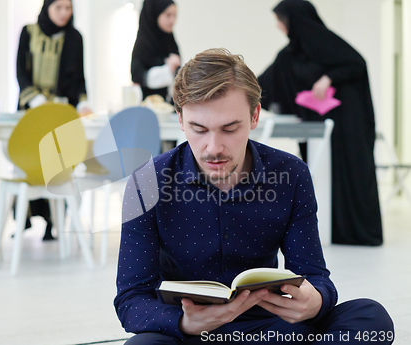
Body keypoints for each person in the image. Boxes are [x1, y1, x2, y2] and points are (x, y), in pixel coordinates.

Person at [114, 48, 394, 344]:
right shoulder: (146, 182)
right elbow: (131, 300)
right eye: (199, 129)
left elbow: (314, 276)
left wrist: (317, 300)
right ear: (180, 119)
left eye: (230, 128)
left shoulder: (291, 174)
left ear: (254, 115)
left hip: (273, 330)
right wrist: (183, 322)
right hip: (191, 334)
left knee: (371, 318)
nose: (214, 148)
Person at [257, 0, 382, 246]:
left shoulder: (326, 43)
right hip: (318, 126)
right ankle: (333, 230)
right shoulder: (290, 54)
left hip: (347, 124)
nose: (279, 26)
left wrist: (329, 77)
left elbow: (356, 64)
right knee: (324, 174)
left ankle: (359, 233)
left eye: (282, 21)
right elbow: (264, 83)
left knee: (350, 172)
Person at [15, 0, 90, 240]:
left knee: (58, 166)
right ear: (47, 7)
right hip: (31, 110)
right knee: (30, 163)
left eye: (68, 8)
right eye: (58, 8)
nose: (64, 13)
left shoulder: (75, 37)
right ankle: (23, 220)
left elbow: (79, 77)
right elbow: (20, 71)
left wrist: (83, 102)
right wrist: (36, 101)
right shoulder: (29, 32)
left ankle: (53, 223)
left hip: (60, 113)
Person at [131, 0, 180, 102]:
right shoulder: (143, 45)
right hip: (148, 108)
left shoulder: (170, 41)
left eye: (175, 15)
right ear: (154, 14)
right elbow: (137, 76)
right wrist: (168, 69)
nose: (172, 20)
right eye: (168, 15)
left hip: (172, 107)